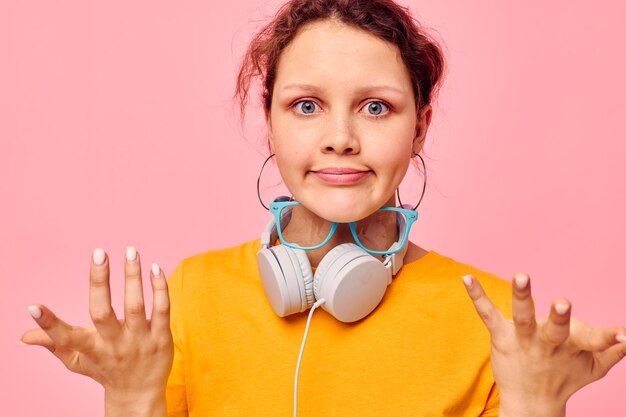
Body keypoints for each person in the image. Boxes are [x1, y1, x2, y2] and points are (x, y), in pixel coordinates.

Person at [20, 0, 626, 416]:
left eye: (376, 107)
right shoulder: (193, 293)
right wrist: (130, 400)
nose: (340, 137)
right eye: (307, 106)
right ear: (270, 124)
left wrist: (536, 403)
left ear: (421, 127)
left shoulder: (495, 320)